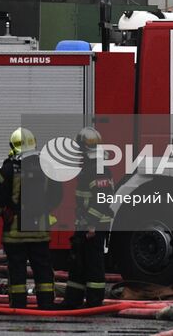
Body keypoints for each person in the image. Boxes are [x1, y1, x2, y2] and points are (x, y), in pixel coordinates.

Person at [0, 127, 58, 309]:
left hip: (15, 231)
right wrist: (43, 209)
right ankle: (46, 304)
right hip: (40, 230)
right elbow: (57, 195)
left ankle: (18, 305)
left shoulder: (9, 168)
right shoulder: (46, 166)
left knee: (17, 270)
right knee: (43, 269)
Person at [62, 126, 112, 308]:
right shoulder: (90, 167)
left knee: (93, 265)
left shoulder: (97, 168)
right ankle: (72, 301)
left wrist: (92, 225)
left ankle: (94, 302)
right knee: (78, 263)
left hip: (94, 227)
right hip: (85, 225)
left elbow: (102, 199)